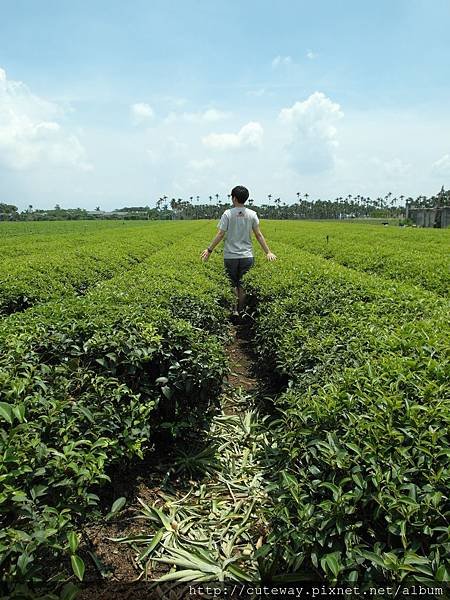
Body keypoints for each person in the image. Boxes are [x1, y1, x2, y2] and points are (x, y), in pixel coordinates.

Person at [200, 185, 276, 316]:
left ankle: (234, 310)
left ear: (234, 198)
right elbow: (258, 235)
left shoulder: (228, 214)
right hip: (247, 256)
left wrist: (209, 249)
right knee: (242, 285)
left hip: (230, 256)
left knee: (232, 284)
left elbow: (220, 234)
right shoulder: (252, 214)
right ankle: (241, 310)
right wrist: (268, 252)